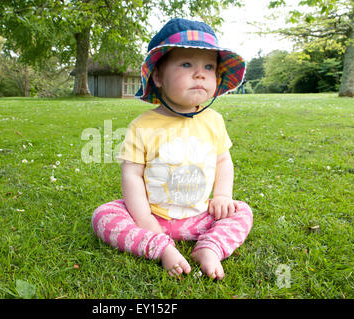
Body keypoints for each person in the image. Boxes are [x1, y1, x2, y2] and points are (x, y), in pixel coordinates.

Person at [91, 18, 253, 280]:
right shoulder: (142, 125)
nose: (199, 73)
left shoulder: (214, 121)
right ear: (158, 76)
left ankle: (210, 247)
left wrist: (222, 196)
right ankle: (160, 247)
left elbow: (223, 161)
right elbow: (131, 175)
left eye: (209, 66)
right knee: (104, 215)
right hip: (154, 215)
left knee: (241, 211)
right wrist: (145, 221)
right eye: (186, 64)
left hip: (199, 215)